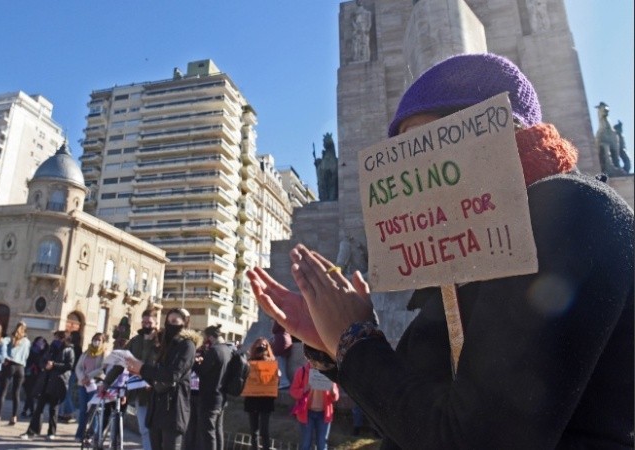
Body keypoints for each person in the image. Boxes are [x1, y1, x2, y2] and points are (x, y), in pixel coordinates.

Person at [247, 53, 634, 449]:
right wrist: (337, 343)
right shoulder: (462, 256)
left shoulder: (567, 209)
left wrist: (354, 339)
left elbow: (476, 439)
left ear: (474, 125)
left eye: (414, 143)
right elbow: (421, 412)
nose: (403, 173)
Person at [125, 308, 200, 450]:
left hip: (173, 409)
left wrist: (142, 368)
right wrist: (141, 373)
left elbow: (173, 374)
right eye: (168, 321)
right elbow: (158, 372)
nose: (170, 325)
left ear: (184, 323)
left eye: (174, 321)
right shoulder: (166, 345)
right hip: (157, 407)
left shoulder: (187, 345)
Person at [104, 308, 159, 450]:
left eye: (150, 322)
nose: (146, 324)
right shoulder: (135, 341)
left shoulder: (162, 341)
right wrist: (106, 382)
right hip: (140, 393)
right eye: (144, 322)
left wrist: (156, 382)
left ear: (156, 322)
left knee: (157, 431)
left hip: (157, 392)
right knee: (144, 429)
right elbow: (119, 364)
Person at [21, 330, 75, 440]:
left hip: (57, 382)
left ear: (63, 338)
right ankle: (32, 431)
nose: (55, 339)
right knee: (39, 408)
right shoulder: (51, 348)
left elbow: (69, 365)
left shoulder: (69, 350)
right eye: (55, 337)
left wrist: (54, 365)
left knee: (53, 408)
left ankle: (51, 432)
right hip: (45, 380)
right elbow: (42, 360)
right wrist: (45, 365)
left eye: (57, 337)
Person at [194, 324, 231, 450]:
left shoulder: (214, 351)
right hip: (221, 397)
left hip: (210, 397)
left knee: (208, 433)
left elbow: (203, 371)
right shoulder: (227, 350)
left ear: (210, 337)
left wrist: (195, 363)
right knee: (218, 430)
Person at [289, 361, 339, 450]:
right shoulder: (302, 371)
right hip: (307, 413)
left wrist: (332, 389)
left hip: (324, 414)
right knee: (306, 444)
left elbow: (335, 397)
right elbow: (293, 392)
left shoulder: (328, 373)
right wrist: (304, 389)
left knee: (322, 445)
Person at [243, 337, 280, 450]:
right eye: (259, 345)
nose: (262, 347)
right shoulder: (248, 362)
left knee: (264, 431)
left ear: (268, 348)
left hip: (266, 400)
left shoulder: (272, 363)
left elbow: (276, 383)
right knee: (254, 431)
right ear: (254, 347)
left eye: (264, 345)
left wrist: (277, 376)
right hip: (252, 398)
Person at [0, 321, 30, 426]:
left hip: (10, 365)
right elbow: (26, 355)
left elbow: (1, 343)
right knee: (16, 393)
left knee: (2, 392)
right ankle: (14, 417)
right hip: (21, 368)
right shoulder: (27, 341)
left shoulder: (10, 338)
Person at [74, 332, 107, 442]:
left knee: (93, 410)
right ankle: (80, 434)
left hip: (95, 385)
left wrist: (89, 377)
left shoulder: (104, 354)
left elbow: (102, 368)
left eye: (99, 340)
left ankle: (92, 435)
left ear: (103, 342)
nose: (96, 341)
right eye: (95, 339)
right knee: (83, 410)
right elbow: (78, 367)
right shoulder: (86, 353)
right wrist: (82, 377)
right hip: (83, 385)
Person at [58, 330, 82, 423]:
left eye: (71, 335)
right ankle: (65, 413)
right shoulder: (76, 347)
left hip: (71, 372)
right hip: (72, 372)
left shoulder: (75, 348)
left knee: (66, 393)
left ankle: (71, 412)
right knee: (65, 392)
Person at [22, 336, 48, 418]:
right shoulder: (31, 350)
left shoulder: (44, 352)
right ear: (35, 342)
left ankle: (29, 410)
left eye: (43, 342)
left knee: (31, 393)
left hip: (37, 375)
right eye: (40, 341)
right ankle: (27, 410)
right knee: (28, 393)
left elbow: (42, 364)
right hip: (28, 373)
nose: (41, 343)